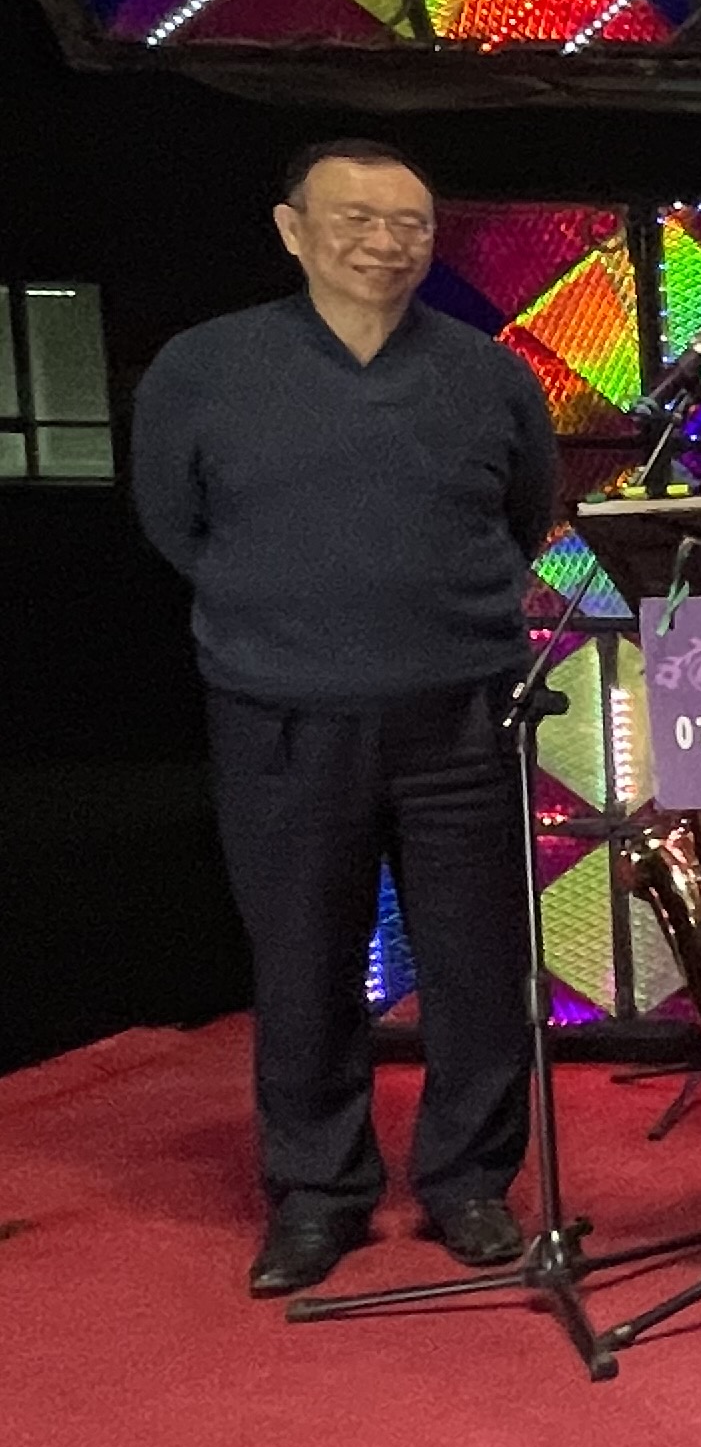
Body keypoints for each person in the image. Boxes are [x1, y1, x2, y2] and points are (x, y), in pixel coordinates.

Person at [134, 138, 558, 1298]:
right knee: (304, 965)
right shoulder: (204, 367)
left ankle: (469, 1182)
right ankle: (318, 1193)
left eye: (410, 224)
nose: (385, 242)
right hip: (279, 715)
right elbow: (175, 522)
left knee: (478, 964)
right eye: (356, 218)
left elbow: (524, 516)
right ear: (292, 229)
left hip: (460, 715)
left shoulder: (487, 374)